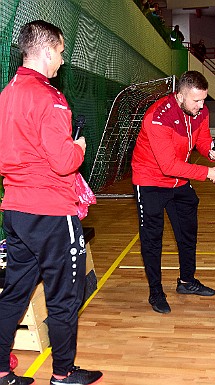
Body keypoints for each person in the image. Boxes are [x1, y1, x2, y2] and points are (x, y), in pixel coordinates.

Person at [0, 20, 103, 385]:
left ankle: (0, 370)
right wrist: (79, 148)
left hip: (15, 209)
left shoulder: (7, 93)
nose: (62, 59)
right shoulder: (50, 98)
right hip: (49, 210)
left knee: (14, 291)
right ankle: (63, 373)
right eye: (60, 50)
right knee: (64, 294)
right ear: (46, 50)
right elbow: (63, 163)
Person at [131, 70, 215, 314]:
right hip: (150, 181)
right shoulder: (157, 117)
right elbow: (168, 166)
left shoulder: (201, 111)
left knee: (188, 232)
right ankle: (156, 292)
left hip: (179, 181)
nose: (201, 106)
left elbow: (203, 139)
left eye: (203, 100)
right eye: (196, 100)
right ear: (180, 95)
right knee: (152, 239)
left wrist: (210, 151)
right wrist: (208, 173)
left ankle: (187, 282)